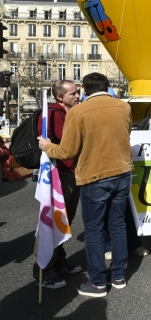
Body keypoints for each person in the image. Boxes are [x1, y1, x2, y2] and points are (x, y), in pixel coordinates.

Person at [39, 73, 133, 297]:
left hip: (94, 175)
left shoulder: (79, 112)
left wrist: (46, 146)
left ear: (84, 90)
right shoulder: (123, 107)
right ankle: (119, 275)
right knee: (118, 226)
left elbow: (67, 151)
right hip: (122, 172)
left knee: (94, 230)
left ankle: (99, 282)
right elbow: (126, 134)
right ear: (107, 87)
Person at [33, 80, 82, 289]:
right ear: (59, 97)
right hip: (59, 174)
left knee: (65, 221)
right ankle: (44, 271)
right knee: (53, 221)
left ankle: (59, 263)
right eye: (73, 94)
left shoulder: (67, 113)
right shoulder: (52, 114)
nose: (78, 96)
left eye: (78, 92)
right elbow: (67, 144)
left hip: (71, 172)